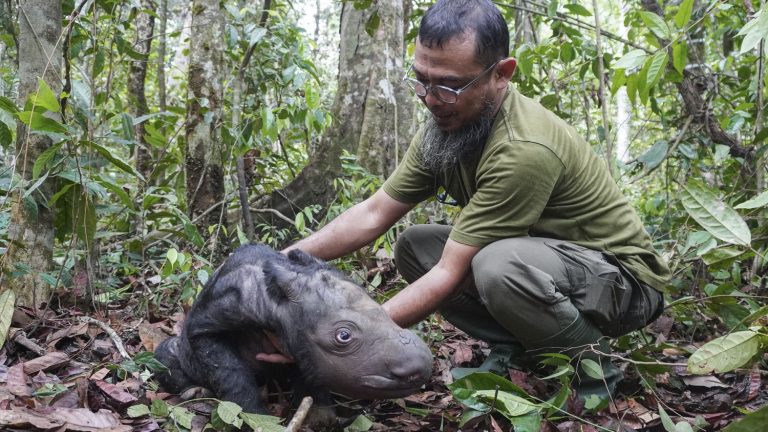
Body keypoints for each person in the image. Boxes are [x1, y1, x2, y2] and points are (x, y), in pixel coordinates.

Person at [262, 0, 670, 399]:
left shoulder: (522, 149)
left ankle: (595, 372)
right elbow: (372, 214)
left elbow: (449, 272)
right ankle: (520, 349)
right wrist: (270, 265)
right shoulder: (447, 126)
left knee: (498, 265)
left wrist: (339, 343)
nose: (430, 98)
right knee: (414, 246)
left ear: (502, 74)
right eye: (421, 79)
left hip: (623, 282)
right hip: (550, 266)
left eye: (450, 85)